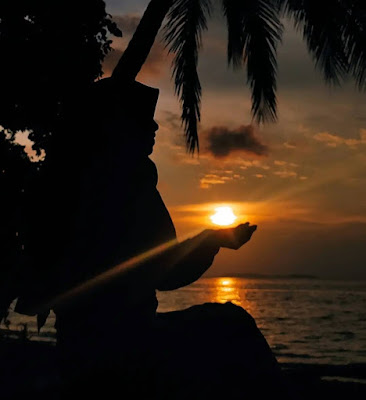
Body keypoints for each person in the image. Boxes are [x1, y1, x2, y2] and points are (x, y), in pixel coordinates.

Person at [18, 77, 289, 399]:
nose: (156, 128)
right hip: (123, 347)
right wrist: (213, 240)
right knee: (233, 324)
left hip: (77, 346)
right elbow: (165, 272)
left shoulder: (66, 185)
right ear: (118, 128)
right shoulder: (125, 187)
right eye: (144, 120)